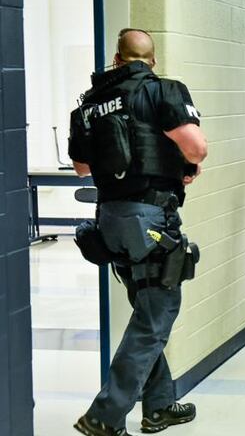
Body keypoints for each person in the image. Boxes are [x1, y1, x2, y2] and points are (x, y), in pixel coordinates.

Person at [68, 28, 207, 436]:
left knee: (147, 311)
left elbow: (81, 168)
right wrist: (186, 164)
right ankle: (105, 416)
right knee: (153, 319)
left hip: (111, 220)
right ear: (152, 60)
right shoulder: (163, 90)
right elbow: (196, 147)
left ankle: (159, 406)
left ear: (116, 59)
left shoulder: (89, 103)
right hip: (152, 220)